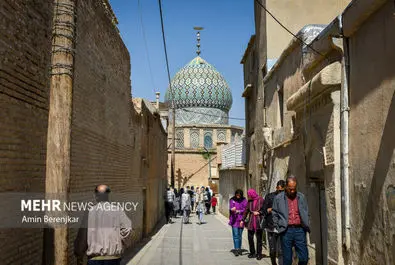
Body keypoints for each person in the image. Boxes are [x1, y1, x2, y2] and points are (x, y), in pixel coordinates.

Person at [74, 185, 132, 265]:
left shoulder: (89, 213)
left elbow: (83, 236)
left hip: (94, 259)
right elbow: (127, 229)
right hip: (113, 259)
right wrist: (120, 241)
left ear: (95, 196)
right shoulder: (118, 211)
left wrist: (79, 254)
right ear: (108, 195)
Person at [272, 176, 310, 265]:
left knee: (304, 257)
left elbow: (306, 211)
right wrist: (278, 225)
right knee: (287, 259)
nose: (292, 191)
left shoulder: (301, 197)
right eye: (290, 189)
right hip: (286, 231)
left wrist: (307, 222)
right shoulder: (278, 198)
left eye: (294, 189)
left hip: (300, 230)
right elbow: (274, 212)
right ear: (286, 187)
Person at [261, 180, 285, 265]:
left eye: (282, 190)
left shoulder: (286, 197)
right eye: (279, 190)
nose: (280, 192)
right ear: (276, 188)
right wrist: (269, 210)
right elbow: (263, 209)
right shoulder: (269, 196)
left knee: (281, 250)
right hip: (270, 226)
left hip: (282, 227)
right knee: (272, 250)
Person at [241, 188, 265, 260]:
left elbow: (264, 209)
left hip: (258, 221)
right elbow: (246, 211)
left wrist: (259, 212)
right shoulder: (250, 201)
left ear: (252, 194)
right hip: (251, 222)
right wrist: (242, 220)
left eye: (249, 194)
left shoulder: (261, 200)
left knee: (259, 239)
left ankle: (259, 254)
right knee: (250, 238)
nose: (248, 196)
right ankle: (252, 252)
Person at [229, 189, 248, 257]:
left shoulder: (244, 200)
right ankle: (236, 249)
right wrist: (232, 209)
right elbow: (230, 207)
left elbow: (246, 209)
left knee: (239, 235)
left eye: (239, 195)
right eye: (237, 195)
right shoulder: (232, 199)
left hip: (241, 220)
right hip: (234, 220)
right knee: (236, 235)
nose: (238, 197)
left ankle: (239, 248)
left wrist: (239, 211)